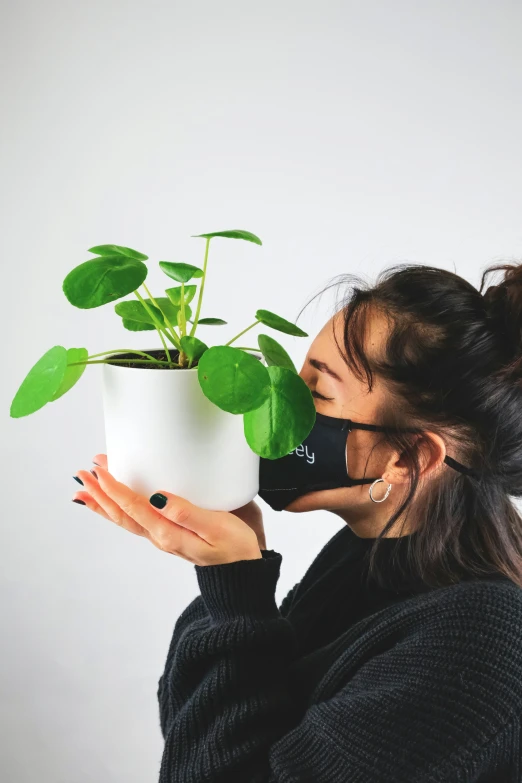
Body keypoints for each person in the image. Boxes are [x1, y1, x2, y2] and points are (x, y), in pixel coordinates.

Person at [73, 262, 522, 782]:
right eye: (294, 377)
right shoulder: (367, 558)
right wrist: (231, 574)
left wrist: (236, 590)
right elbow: (192, 732)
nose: (274, 400)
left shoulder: (481, 644)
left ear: (409, 458)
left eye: (319, 392)